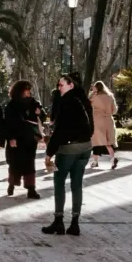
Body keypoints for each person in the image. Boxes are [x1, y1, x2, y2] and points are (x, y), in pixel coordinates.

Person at [42, 73, 95, 236]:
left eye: (61, 85)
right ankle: (75, 223)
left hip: (68, 148)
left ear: (71, 85)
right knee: (77, 184)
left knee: (59, 181)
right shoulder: (85, 101)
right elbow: (91, 126)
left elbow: (60, 130)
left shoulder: (66, 102)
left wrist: (49, 152)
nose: (59, 88)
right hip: (85, 147)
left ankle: (58, 221)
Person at [2, 80, 44, 199]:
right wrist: (11, 138)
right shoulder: (12, 105)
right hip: (17, 138)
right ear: (20, 90)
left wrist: (39, 112)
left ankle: (31, 189)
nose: (29, 91)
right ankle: (12, 184)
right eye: (26, 89)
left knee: (30, 164)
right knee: (15, 163)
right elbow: (8, 123)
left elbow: (42, 114)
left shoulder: (33, 102)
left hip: (30, 139)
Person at [90, 79, 119, 166]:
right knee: (108, 142)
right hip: (109, 121)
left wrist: (92, 92)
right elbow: (114, 111)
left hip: (98, 121)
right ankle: (113, 158)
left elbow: (87, 103)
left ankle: (95, 162)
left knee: (96, 141)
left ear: (96, 88)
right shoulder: (110, 96)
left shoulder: (94, 97)